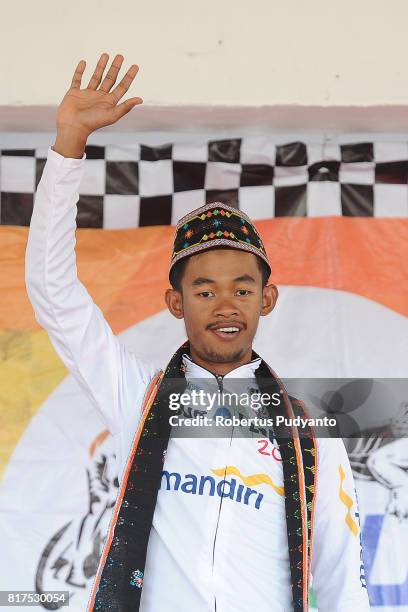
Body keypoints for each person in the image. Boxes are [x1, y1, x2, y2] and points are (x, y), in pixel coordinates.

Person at [25, 53, 371, 612]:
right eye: (204, 291)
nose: (224, 305)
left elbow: (340, 579)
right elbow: (53, 292)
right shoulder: (136, 396)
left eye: (242, 287)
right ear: (175, 303)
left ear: (267, 298)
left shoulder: (308, 431)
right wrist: (68, 146)